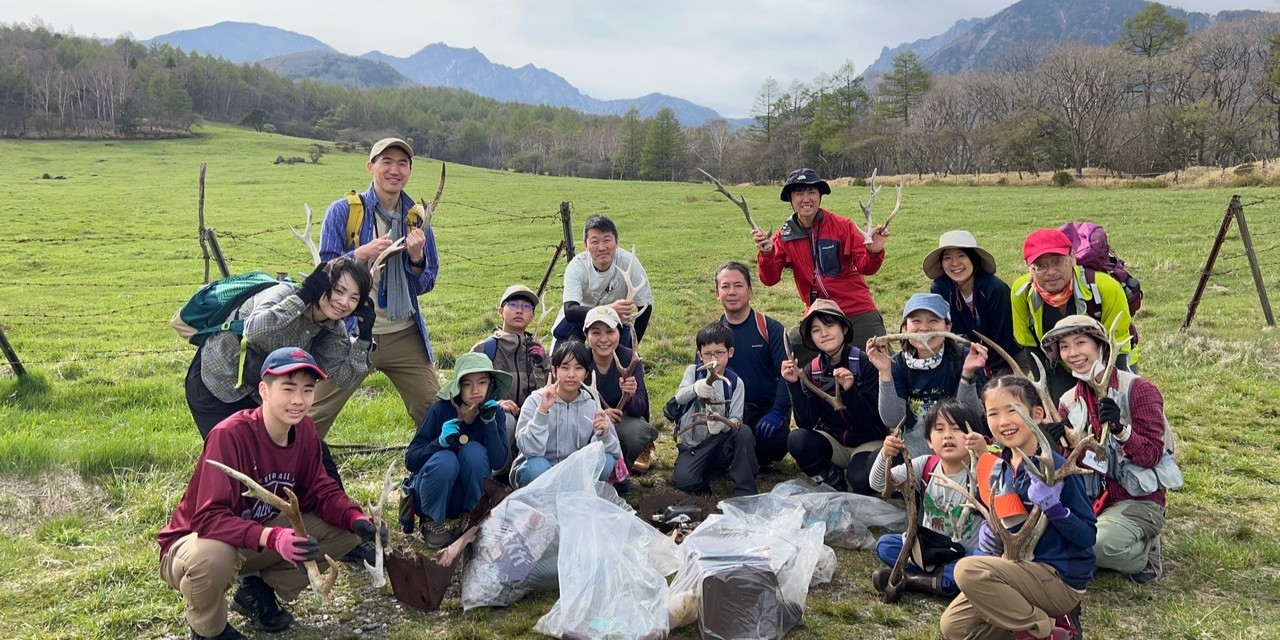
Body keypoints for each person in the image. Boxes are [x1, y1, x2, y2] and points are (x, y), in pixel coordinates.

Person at [159, 348, 387, 640]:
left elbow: (320, 490)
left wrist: (356, 519)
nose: (298, 400)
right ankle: (208, 630)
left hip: (253, 537)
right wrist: (274, 538)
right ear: (264, 391)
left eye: (307, 390)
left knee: (346, 532)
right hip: (194, 545)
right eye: (288, 388)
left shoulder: (304, 430)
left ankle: (258, 592)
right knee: (213, 557)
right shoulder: (229, 435)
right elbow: (207, 519)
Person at [939, 375, 1096, 640]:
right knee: (954, 627)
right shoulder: (998, 468)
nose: (1003, 422)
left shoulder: (1056, 469)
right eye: (993, 414)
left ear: (1037, 414)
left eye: (1013, 411)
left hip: (1057, 577)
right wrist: (992, 535)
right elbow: (1009, 529)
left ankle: (1044, 631)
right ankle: (1030, 622)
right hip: (1015, 571)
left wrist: (1055, 509)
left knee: (967, 570)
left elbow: (1087, 536)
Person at [312, 137, 442, 436]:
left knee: (435, 414)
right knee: (311, 417)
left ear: (409, 171)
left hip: (403, 333)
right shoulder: (344, 212)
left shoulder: (418, 218)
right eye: (387, 162)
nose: (394, 170)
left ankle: (435, 475)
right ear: (371, 167)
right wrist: (358, 255)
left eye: (402, 163)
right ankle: (284, 476)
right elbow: (323, 274)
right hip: (350, 332)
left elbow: (426, 283)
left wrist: (417, 258)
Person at [1042, 315, 1170, 584]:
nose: (1073, 353)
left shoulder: (1138, 389)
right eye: (1064, 346)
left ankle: (1147, 550)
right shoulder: (1067, 401)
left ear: (1101, 346)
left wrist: (1122, 430)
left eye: (1081, 343)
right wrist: (1063, 445)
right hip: (1092, 502)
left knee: (1096, 546)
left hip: (1137, 500)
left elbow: (1151, 456)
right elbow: (1084, 467)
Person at [185, 258, 374, 439]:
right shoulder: (283, 292)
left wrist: (363, 339)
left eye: (354, 298)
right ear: (324, 284)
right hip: (216, 382)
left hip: (260, 396)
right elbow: (254, 330)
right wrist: (303, 297)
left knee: (263, 460)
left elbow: (343, 379)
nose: (343, 302)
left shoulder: (334, 329)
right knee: (229, 455)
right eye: (339, 291)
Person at [752, 167, 890, 363]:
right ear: (791, 199)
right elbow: (770, 279)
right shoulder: (784, 236)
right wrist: (766, 253)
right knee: (788, 355)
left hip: (856, 311)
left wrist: (874, 251)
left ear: (820, 196)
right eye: (799, 193)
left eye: (811, 192)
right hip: (817, 316)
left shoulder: (842, 226)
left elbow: (866, 267)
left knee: (881, 361)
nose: (806, 199)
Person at [869, 399, 989, 597]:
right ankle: (938, 581)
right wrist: (884, 455)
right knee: (885, 545)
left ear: (973, 436)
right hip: (929, 548)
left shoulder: (984, 469)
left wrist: (984, 455)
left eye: (957, 428)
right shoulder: (924, 465)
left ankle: (910, 580)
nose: (948, 435)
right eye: (939, 429)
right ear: (929, 442)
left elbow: (1001, 499)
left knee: (977, 564)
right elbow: (878, 484)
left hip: (966, 553)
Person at [1011, 228, 1136, 400]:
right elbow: (1028, 342)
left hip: (1107, 356)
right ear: (1029, 268)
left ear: (1072, 258)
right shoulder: (1021, 292)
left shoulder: (1106, 287)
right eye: (1040, 266)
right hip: (1058, 363)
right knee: (1062, 414)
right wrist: (1045, 394)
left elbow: (1117, 344)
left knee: (1120, 408)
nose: (1051, 272)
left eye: (1057, 262)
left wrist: (1110, 389)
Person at [403, 352, 511, 548]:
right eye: (467, 384)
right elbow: (411, 460)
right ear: (458, 387)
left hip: (464, 495)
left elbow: (498, 462)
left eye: (482, 382)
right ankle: (431, 521)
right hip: (432, 490)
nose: (475, 390)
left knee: (474, 452)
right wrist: (439, 443)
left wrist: (490, 425)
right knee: (446, 459)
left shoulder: (494, 414)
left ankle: (472, 516)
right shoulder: (439, 410)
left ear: (491, 384)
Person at [782, 298, 885, 495]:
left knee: (861, 481)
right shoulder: (811, 371)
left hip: (869, 441)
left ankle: (856, 471)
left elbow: (872, 420)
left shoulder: (865, 363)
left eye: (830, 325)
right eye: (816, 330)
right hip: (835, 441)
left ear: (844, 329)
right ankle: (831, 478)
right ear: (811, 338)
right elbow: (806, 422)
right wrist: (793, 384)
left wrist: (850, 391)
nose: (824, 333)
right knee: (797, 439)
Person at [868, 293, 988, 460]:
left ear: (948, 327)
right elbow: (893, 420)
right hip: (914, 446)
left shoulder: (966, 358)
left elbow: (972, 416)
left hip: (959, 444)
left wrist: (967, 374)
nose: (924, 328)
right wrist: (884, 373)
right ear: (904, 329)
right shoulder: (897, 364)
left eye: (933, 320)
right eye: (916, 321)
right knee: (866, 471)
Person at [511, 341, 623, 489]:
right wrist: (542, 412)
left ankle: (575, 499)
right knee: (536, 466)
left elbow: (614, 452)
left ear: (586, 373)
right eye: (564, 367)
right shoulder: (535, 401)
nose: (571, 374)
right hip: (541, 473)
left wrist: (604, 435)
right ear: (554, 371)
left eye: (578, 368)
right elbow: (530, 450)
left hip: (575, 475)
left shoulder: (592, 405)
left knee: (605, 460)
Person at [712, 261, 791, 470]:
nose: (732, 292)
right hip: (730, 408)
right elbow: (700, 378)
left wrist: (778, 411)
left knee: (775, 443)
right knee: (721, 450)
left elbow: (787, 375)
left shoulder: (770, 329)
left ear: (750, 291)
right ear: (717, 294)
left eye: (738, 285)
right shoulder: (712, 335)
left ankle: (760, 458)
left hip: (767, 408)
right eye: (725, 286)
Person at [471, 284, 549, 480]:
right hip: (493, 422)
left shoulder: (538, 352)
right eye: (513, 304)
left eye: (526, 307)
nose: (519, 310)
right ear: (500, 311)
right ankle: (496, 477)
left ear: (532, 316)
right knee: (504, 420)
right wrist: (495, 404)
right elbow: (463, 395)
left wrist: (543, 366)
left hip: (531, 421)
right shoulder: (484, 350)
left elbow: (549, 392)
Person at [670, 322, 755, 497]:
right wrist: (695, 388)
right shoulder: (693, 372)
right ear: (700, 355)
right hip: (693, 445)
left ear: (730, 352)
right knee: (683, 481)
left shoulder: (735, 383)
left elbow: (737, 420)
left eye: (719, 353)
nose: (713, 359)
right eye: (707, 354)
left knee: (744, 432)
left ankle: (745, 490)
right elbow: (679, 397)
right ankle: (700, 477)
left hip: (719, 444)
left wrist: (723, 425)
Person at [552, 214, 654, 348]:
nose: (601, 247)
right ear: (585, 245)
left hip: (616, 323)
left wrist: (630, 349)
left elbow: (646, 307)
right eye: (594, 241)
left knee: (622, 361)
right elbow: (570, 310)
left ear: (617, 242)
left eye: (607, 240)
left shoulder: (629, 262)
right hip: (580, 318)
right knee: (564, 359)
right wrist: (609, 309)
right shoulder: (577, 266)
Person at [924, 230, 1018, 376]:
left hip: (1007, 356)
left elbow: (1003, 334)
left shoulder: (995, 288)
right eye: (947, 258)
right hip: (966, 357)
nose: (955, 263)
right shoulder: (940, 287)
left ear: (973, 258)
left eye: (962, 255)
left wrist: (998, 373)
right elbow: (948, 331)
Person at [582, 305, 657, 474]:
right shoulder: (579, 360)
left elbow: (640, 409)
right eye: (596, 332)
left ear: (619, 334)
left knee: (637, 433)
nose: (603, 339)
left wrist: (629, 397)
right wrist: (601, 414)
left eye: (610, 332)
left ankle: (621, 470)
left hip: (623, 420)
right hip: (588, 419)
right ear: (586, 335)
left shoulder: (631, 359)